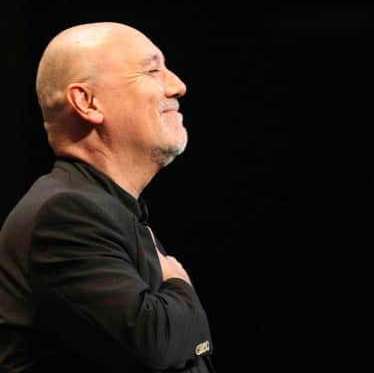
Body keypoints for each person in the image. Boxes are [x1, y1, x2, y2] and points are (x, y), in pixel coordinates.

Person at [0, 22, 215, 373]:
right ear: (87, 102)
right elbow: (153, 345)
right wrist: (179, 287)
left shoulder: (107, 209)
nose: (177, 85)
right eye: (152, 70)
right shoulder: (66, 214)